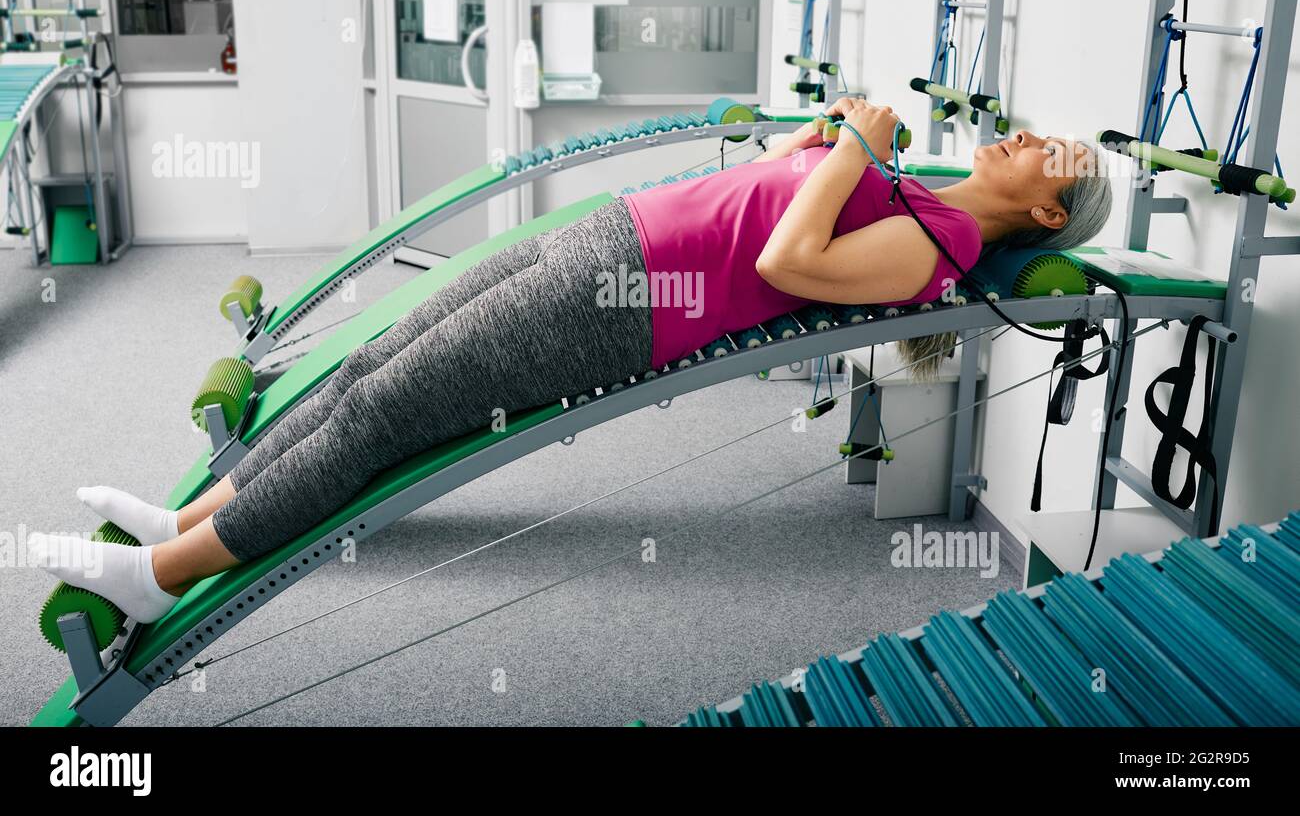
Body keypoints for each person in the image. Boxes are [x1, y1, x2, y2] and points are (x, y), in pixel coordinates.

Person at [29, 98, 1111, 625]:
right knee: (363, 371)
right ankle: (195, 516)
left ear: (1047, 205)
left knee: (383, 416)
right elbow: (777, 192)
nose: (1020, 135)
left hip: (621, 306)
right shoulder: (919, 188)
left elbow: (791, 258)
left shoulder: (946, 243)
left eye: (1042, 151)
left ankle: (154, 580)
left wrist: (860, 154)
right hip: (618, 234)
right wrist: (825, 147)